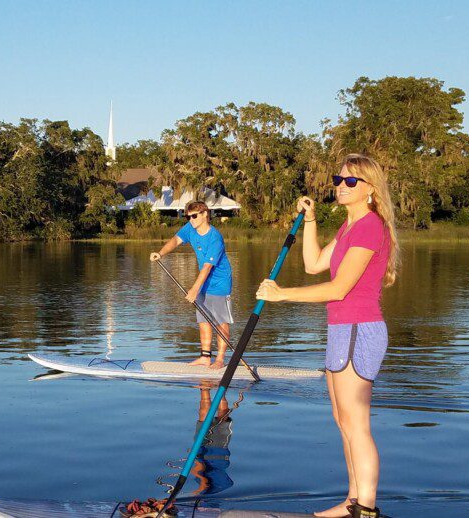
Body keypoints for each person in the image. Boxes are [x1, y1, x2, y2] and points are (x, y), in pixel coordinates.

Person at [255, 154, 399, 518]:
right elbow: (313, 264)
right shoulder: (349, 228)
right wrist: (311, 219)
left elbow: (338, 288)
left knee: (356, 421)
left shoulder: (370, 226)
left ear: (370, 189)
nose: (341, 185)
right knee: (342, 418)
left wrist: (282, 293)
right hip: (341, 330)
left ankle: (364, 506)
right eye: (339, 178)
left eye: (351, 181)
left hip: (359, 329)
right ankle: (353, 500)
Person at [150, 200, 233, 369]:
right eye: (188, 217)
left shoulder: (215, 238)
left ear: (205, 215)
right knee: (203, 320)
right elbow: (175, 240)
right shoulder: (190, 229)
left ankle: (220, 359)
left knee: (220, 321)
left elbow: (207, 268)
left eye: (194, 216)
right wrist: (160, 253)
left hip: (219, 283)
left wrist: (194, 289)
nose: (191, 219)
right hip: (203, 282)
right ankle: (205, 357)